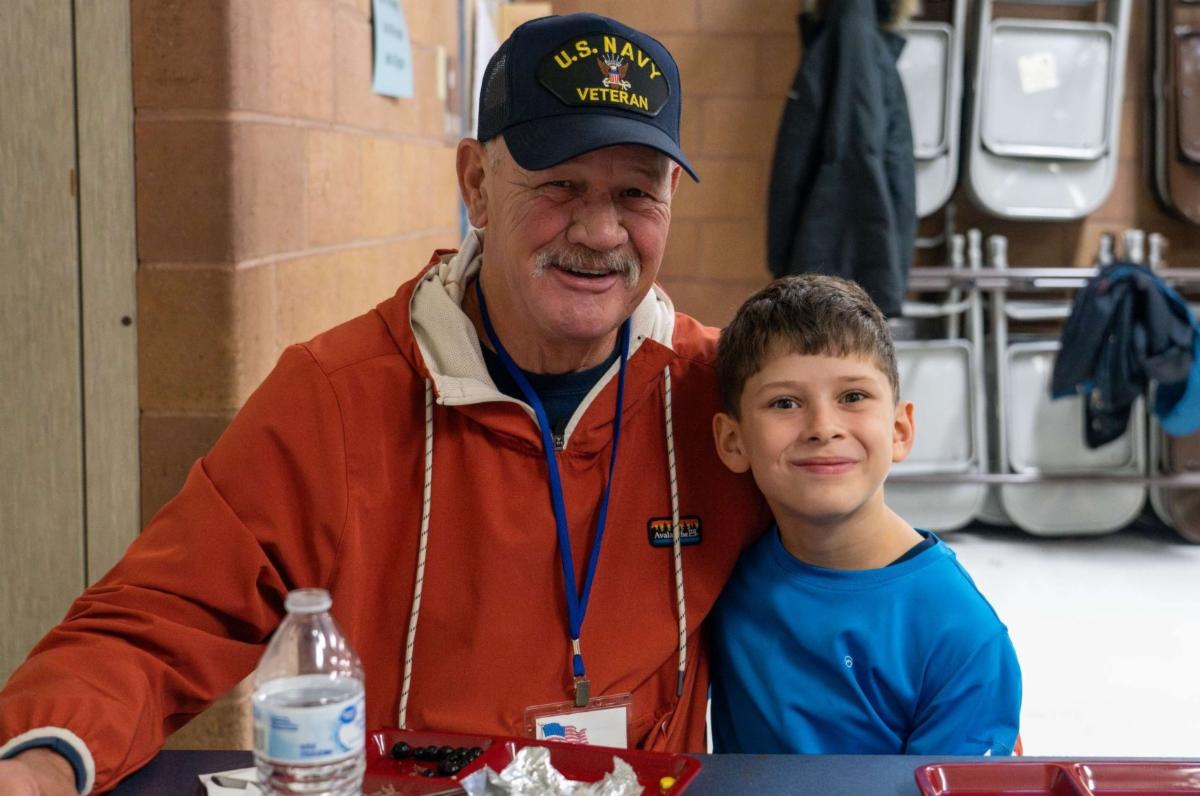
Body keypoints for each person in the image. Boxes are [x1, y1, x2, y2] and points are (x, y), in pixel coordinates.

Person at [0, 13, 768, 794]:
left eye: (636, 193)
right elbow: (163, 616)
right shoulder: (339, 394)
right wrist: (40, 764)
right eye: (560, 183)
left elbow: (863, 563)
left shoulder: (722, 394)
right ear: (475, 183)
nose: (601, 230)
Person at [707, 275, 1021, 755]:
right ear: (733, 442)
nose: (823, 428)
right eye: (784, 402)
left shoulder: (960, 635)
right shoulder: (720, 577)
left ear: (899, 429)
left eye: (853, 396)